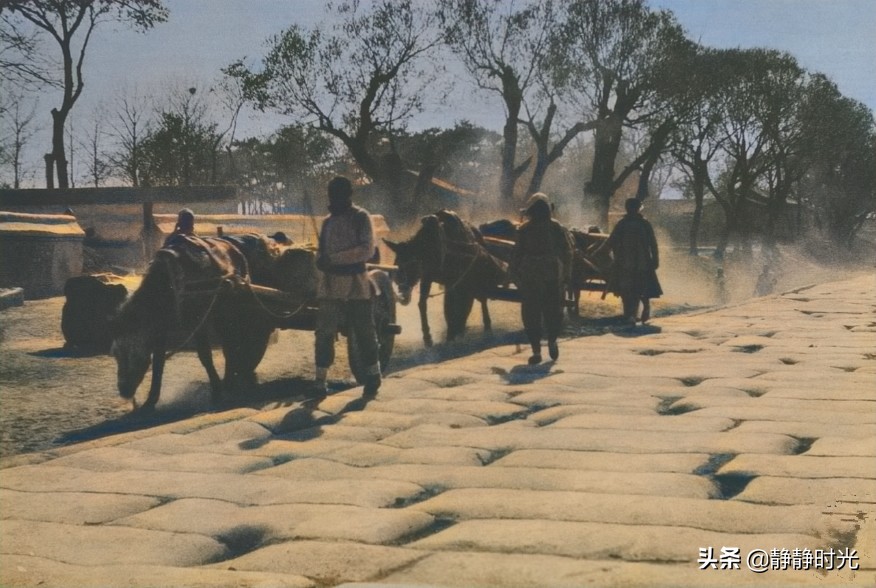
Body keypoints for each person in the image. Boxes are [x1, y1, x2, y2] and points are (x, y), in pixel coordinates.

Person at [313, 176, 381, 398]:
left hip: (356, 283)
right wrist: (320, 259)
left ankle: (373, 375)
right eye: (333, 194)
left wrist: (334, 259)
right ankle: (319, 381)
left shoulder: (361, 217)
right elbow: (321, 252)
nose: (335, 198)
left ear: (348, 195)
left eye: (340, 193)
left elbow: (366, 250)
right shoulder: (327, 222)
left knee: (364, 331)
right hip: (330, 285)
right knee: (323, 333)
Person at [510, 193, 573, 365]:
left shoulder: (525, 229)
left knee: (531, 315)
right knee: (553, 312)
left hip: (530, 277)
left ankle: (536, 351)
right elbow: (567, 252)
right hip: (552, 275)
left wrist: (513, 275)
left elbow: (516, 255)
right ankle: (551, 341)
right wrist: (567, 275)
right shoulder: (556, 228)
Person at [602, 198, 662, 324]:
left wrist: (655, 258)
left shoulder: (638, 224)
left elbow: (652, 243)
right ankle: (631, 313)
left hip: (635, 262)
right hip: (632, 262)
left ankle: (641, 310)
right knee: (630, 289)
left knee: (635, 288)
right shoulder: (627, 224)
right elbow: (612, 241)